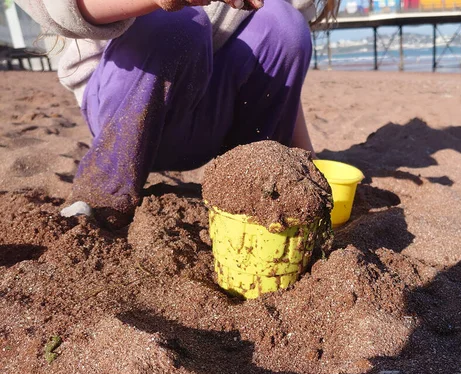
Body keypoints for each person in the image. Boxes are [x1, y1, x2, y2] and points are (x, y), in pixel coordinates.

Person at [15, 0, 338, 226]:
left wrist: (307, 163)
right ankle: (102, 199)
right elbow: (59, 9)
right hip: (126, 112)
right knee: (179, 21)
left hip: (210, 127)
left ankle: (253, 188)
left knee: (283, 20)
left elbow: (279, 84)